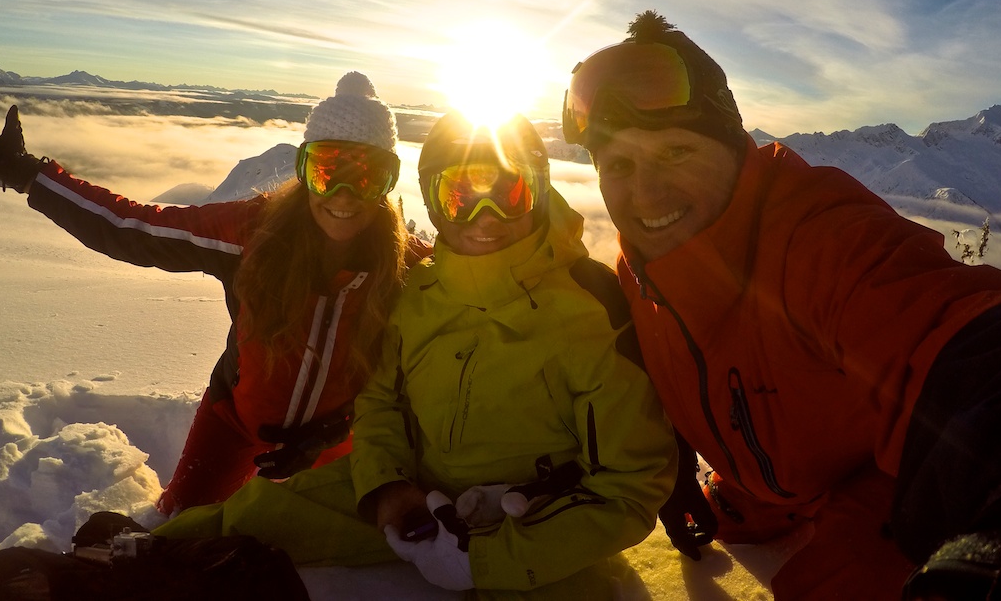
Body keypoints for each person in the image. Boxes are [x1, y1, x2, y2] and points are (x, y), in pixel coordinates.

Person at [562, 10, 1001, 601]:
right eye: (618, 165)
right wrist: (679, 457)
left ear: (735, 148)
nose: (646, 194)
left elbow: (974, 349)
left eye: (676, 152)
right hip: (769, 494)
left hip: (896, 488)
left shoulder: (821, 239)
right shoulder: (637, 273)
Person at [150, 110, 678, 599]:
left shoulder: (592, 308)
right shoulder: (418, 293)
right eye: (458, 196)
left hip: (537, 519)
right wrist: (387, 487)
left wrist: (490, 558)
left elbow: (630, 485)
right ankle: (130, 560)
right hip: (419, 497)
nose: (484, 217)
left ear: (538, 193)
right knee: (260, 512)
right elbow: (381, 401)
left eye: (509, 192)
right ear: (430, 202)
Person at [0, 72, 431, 516]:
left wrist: (339, 428)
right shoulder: (252, 235)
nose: (343, 194)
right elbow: (131, 227)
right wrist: (29, 174)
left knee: (316, 560)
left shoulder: (410, 267)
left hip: (341, 439)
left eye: (367, 175)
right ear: (303, 173)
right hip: (235, 421)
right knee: (179, 520)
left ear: (389, 183)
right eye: (326, 169)